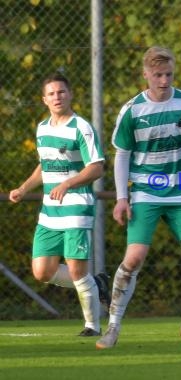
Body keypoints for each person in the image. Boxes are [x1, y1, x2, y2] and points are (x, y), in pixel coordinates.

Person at [95, 46, 181, 350]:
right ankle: (113, 326)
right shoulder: (132, 110)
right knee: (133, 260)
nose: (163, 81)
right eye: (158, 75)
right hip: (145, 192)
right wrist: (122, 198)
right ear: (145, 74)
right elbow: (122, 157)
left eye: (169, 74)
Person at [9, 72, 109, 336]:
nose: (57, 97)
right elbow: (45, 165)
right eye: (51, 93)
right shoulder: (42, 129)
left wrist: (68, 184)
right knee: (42, 271)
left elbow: (96, 168)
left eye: (61, 92)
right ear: (44, 99)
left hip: (77, 205)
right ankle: (97, 285)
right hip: (49, 210)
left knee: (77, 270)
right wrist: (23, 188)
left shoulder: (81, 127)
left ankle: (92, 325)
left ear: (70, 94)